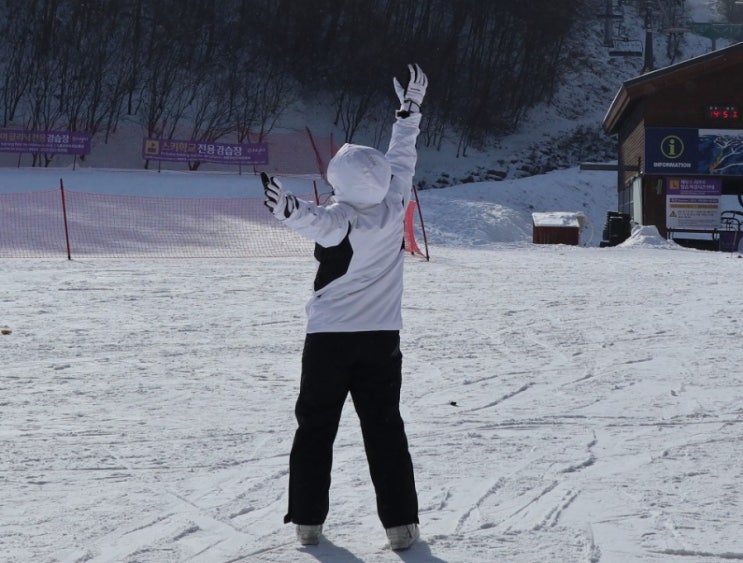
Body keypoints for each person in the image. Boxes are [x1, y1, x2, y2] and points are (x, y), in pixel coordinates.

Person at [261, 63, 428, 551]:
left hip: (329, 342)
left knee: (316, 428)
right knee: (385, 430)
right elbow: (402, 155)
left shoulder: (340, 220)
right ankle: (402, 528)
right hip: (381, 340)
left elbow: (313, 222)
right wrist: (409, 113)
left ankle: (308, 522)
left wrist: (287, 210)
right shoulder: (395, 199)